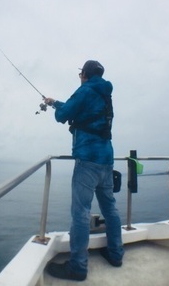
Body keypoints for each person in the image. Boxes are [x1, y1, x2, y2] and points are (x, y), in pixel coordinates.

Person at [44, 60, 124, 281]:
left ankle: (78, 267)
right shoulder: (104, 92)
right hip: (106, 160)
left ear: (85, 74)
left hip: (87, 160)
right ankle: (116, 254)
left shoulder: (85, 89)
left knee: (80, 212)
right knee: (110, 209)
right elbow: (82, 111)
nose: (79, 76)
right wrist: (54, 102)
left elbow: (63, 116)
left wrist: (56, 109)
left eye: (81, 73)